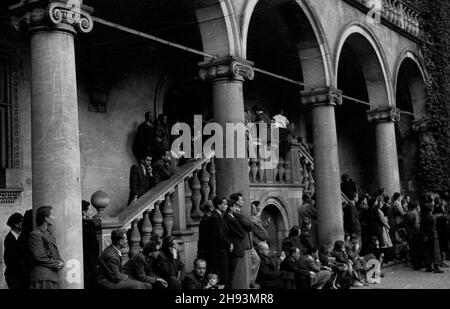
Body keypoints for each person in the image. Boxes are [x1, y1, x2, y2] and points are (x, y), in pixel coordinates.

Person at [29, 206, 65, 289]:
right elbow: (38, 257)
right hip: (42, 277)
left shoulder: (48, 233)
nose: (54, 217)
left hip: (51, 276)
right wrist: (56, 263)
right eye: (52, 215)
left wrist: (60, 261)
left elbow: (54, 252)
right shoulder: (35, 234)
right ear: (45, 218)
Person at [229, 192, 259, 289]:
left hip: (248, 244)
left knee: (256, 260)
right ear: (236, 202)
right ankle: (246, 284)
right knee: (243, 271)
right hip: (243, 245)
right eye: (241, 200)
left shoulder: (241, 212)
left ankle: (249, 282)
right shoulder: (236, 213)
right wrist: (250, 222)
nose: (243, 201)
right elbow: (249, 226)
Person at [202, 196, 232, 288]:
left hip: (221, 250)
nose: (227, 206)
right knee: (222, 277)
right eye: (225, 204)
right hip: (219, 252)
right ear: (219, 205)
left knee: (224, 276)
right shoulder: (215, 217)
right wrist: (229, 244)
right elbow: (219, 235)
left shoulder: (218, 216)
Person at [224, 199, 246, 289]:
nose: (236, 208)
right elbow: (242, 233)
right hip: (235, 247)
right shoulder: (231, 218)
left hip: (233, 246)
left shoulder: (228, 217)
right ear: (231, 208)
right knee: (234, 273)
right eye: (234, 206)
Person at [3, 212, 25, 289]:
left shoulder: (19, 236)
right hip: (13, 276)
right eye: (22, 222)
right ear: (16, 225)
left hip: (18, 275)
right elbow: (10, 259)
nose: (23, 224)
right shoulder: (10, 238)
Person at [82, 200, 99, 289]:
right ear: (84, 212)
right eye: (89, 210)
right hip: (89, 256)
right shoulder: (89, 224)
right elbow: (94, 243)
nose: (91, 212)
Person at [405, 201, 422, 270]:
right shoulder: (415, 214)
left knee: (412, 248)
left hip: (410, 232)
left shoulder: (407, 213)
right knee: (417, 248)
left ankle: (414, 262)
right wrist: (419, 231)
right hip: (415, 233)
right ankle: (417, 264)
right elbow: (416, 224)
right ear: (416, 206)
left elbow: (406, 224)